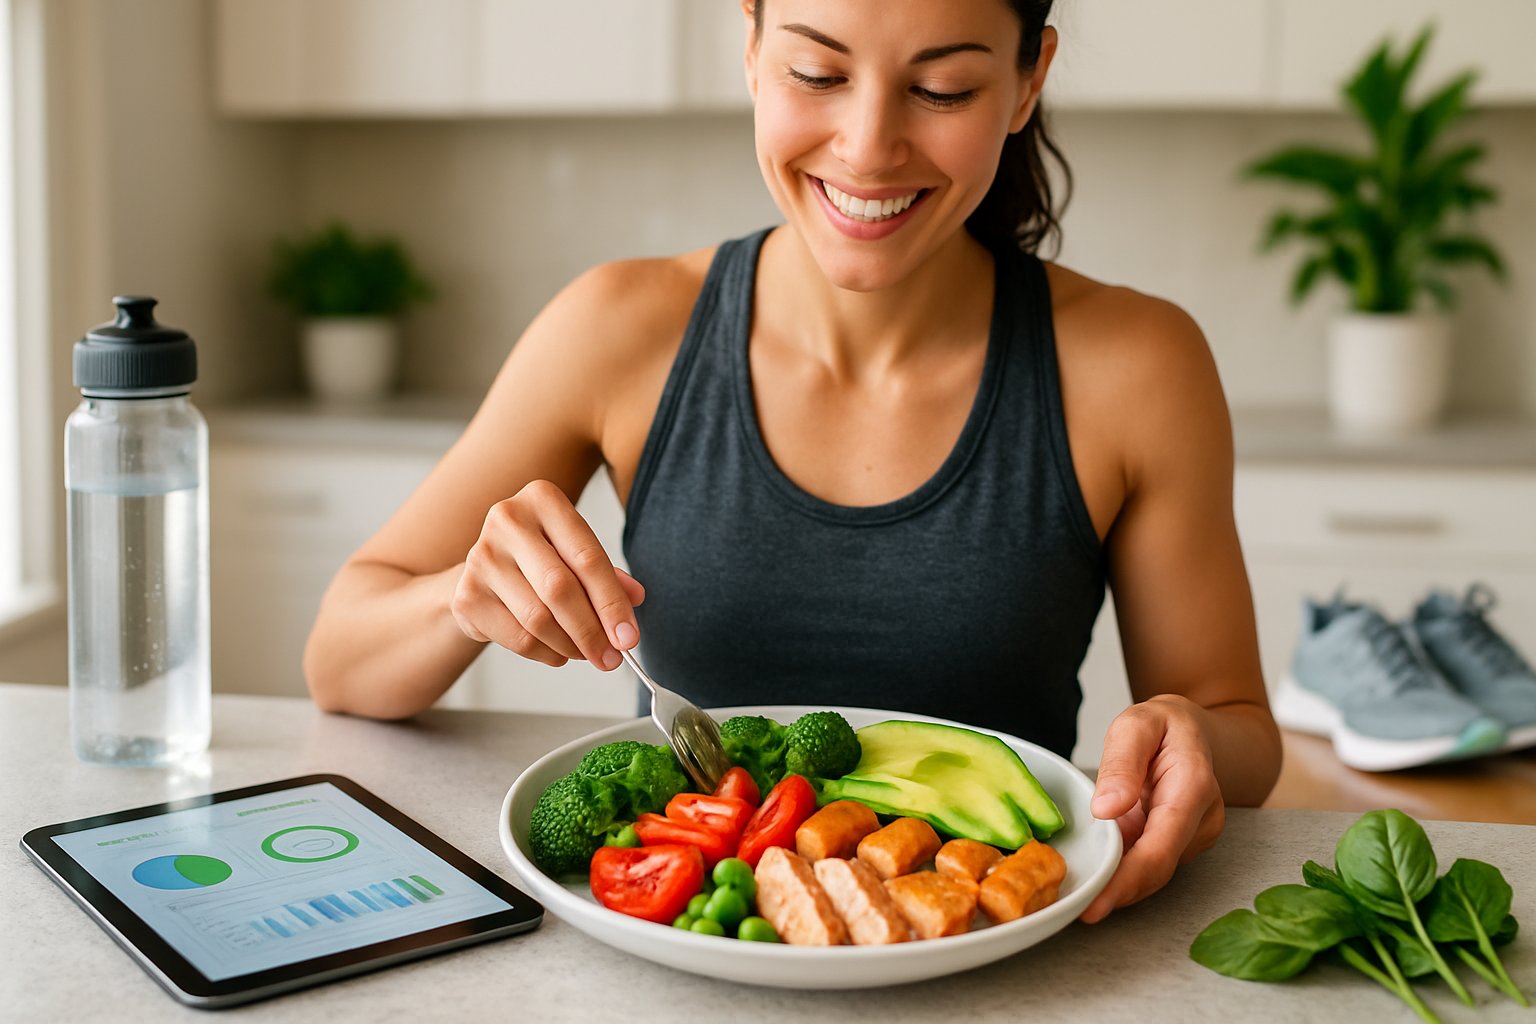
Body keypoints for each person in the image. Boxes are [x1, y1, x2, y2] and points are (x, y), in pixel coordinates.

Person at [304, 0, 1282, 925]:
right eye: (817, 72)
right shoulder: (618, 328)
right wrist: (460, 599)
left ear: (1028, 83)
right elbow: (342, 660)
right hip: (686, 958)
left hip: (1013, 965)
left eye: (942, 91)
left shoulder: (1141, 366)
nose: (866, 145)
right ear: (751, 48)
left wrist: (1185, 736)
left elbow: (1238, 727)